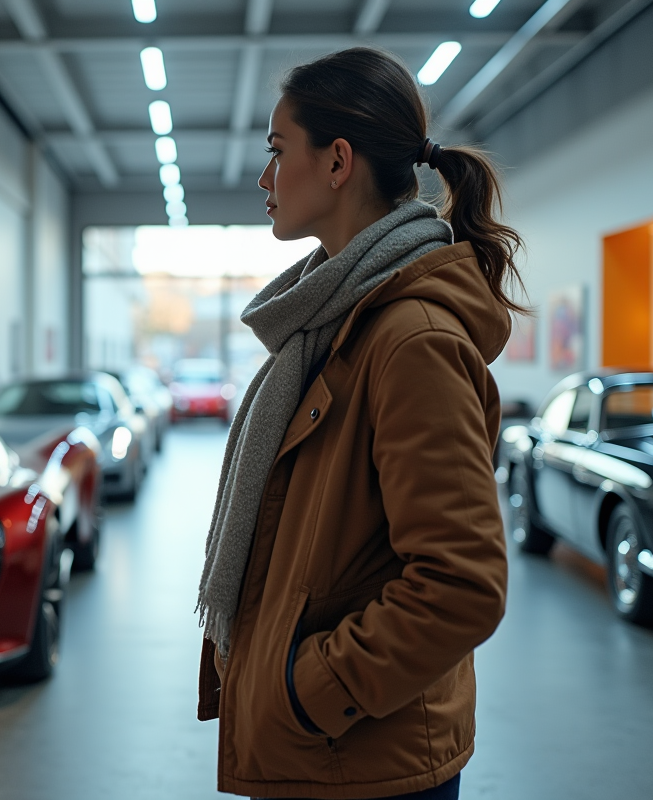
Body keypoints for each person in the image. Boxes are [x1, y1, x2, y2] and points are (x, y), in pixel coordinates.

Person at [195, 47, 521, 800]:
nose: (264, 177)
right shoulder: (330, 321)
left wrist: (308, 689)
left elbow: (462, 583)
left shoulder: (410, 340)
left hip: (365, 765)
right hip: (330, 757)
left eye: (278, 152)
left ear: (338, 161)